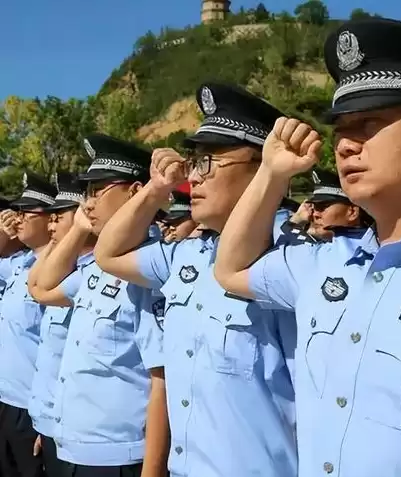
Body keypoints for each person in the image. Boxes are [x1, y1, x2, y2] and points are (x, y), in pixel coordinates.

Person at [214, 18, 401, 477]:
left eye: (371, 123)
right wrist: (272, 174)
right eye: (341, 129)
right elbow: (230, 269)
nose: (348, 145)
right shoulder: (327, 263)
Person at [93, 82, 298, 477]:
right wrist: (156, 189)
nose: (194, 178)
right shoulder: (190, 255)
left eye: (209, 162)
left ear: (265, 165)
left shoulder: (294, 261)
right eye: (194, 161)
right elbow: (108, 254)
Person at [31, 135, 167, 477]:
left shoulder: (149, 272)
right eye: (86, 193)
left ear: (137, 192)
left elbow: (161, 382)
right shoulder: (96, 268)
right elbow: (43, 286)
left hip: (119, 458)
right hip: (74, 448)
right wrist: (79, 228)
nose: (86, 204)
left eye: (97, 191)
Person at [27, 172, 95, 476]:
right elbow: (38, 286)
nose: (51, 225)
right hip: (51, 420)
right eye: (50, 218)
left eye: (59, 217)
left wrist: (76, 232)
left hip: (85, 434)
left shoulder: (93, 271)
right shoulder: (72, 270)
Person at [0, 172, 57, 477]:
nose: (17, 219)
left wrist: (46, 421)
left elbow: (59, 353)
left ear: (51, 220)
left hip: (31, 409)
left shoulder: (59, 272)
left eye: (26, 213)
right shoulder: (18, 266)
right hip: (4, 401)